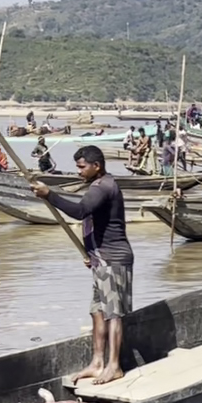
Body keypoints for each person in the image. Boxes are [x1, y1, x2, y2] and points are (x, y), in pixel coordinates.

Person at [31, 146, 134, 384]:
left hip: (113, 259)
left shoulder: (104, 186)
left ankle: (114, 366)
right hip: (100, 259)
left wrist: (49, 195)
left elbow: (80, 211)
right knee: (97, 311)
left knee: (113, 313)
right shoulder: (96, 186)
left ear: (96, 166)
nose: (78, 172)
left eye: (81, 167)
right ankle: (97, 363)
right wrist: (90, 252)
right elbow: (91, 220)